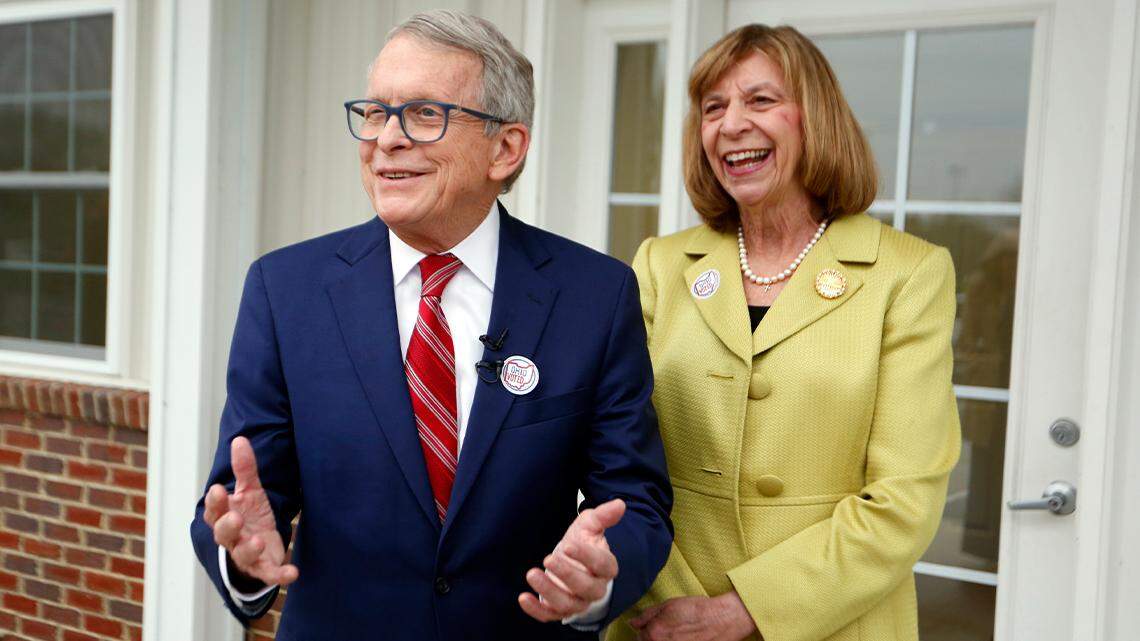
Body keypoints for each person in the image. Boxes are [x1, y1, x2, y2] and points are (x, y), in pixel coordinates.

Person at [189, 10, 672, 640]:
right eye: (374, 112)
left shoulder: (594, 296)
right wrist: (242, 557)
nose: (386, 138)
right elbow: (244, 494)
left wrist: (601, 576)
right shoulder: (286, 291)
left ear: (505, 148)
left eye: (423, 113)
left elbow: (636, 501)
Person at [608, 24, 961, 641]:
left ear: (815, 119)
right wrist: (673, 601)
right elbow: (617, 452)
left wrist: (746, 611)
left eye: (760, 100)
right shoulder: (659, 265)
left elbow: (905, 500)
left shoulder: (909, 273)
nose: (731, 124)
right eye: (713, 108)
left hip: (836, 623)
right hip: (660, 616)